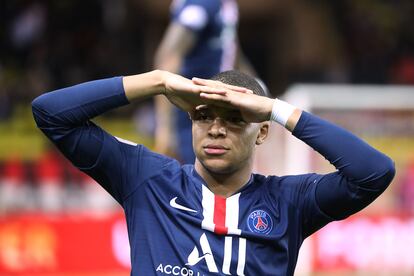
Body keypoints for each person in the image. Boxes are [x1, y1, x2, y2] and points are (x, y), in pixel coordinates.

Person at [32, 69, 395, 275]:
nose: (216, 129)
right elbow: (51, 115)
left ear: (262, 131)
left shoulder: (290, 202)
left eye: (235, 119)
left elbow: (374, 172)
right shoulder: (148, 179)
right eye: (203, 116)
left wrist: (275, 109)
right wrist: (157, 81)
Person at [154, 0, 257, 164]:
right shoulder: (201, 4)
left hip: (220, 109)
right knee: (198, 180)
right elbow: (168, 57)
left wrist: (259, 91)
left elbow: (230, 50)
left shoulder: (226, 5)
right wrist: (165, 127)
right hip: (195, 113)